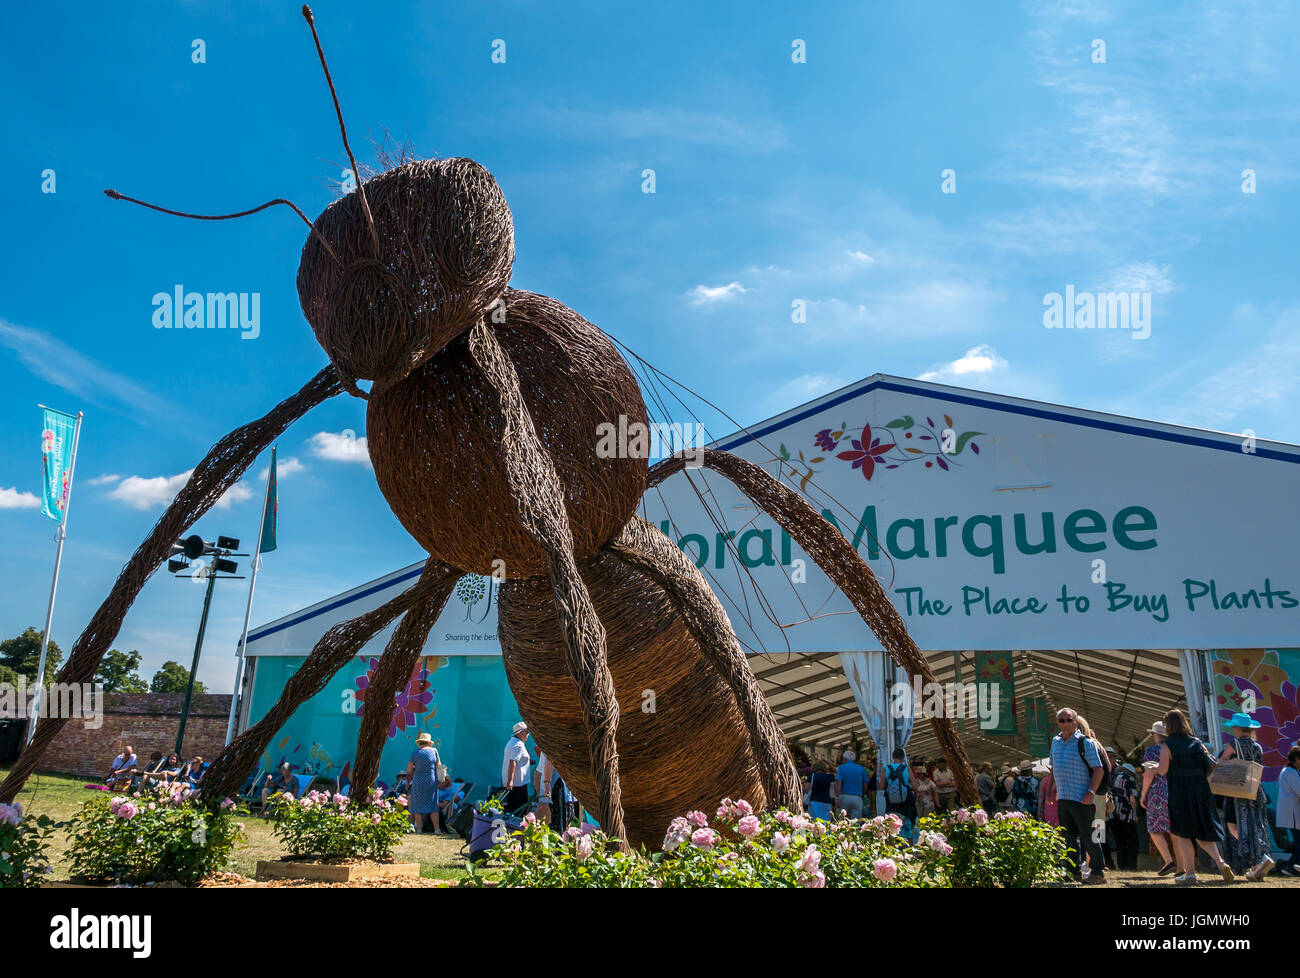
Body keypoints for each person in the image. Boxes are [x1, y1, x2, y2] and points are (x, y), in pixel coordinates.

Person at [1158, 708, 1233, 884]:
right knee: (1202, 832)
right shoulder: (1197, 742)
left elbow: (1162, 770)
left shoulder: (1168, 745)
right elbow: (1208, 765)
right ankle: (1221, 863)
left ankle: (1190, 874)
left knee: (1183, 834)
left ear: (1168, 726)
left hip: (1180, 793)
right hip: (1201, 792)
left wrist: (1153, 768)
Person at [1049, 708, 1107, 883]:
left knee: (1088, 836)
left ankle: (1098, 871)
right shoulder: (1055, 741)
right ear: (1057, 722)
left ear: (1076, 722)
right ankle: (1072, 871)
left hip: (1082, 797)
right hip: (1064, 797)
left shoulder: (1085, 742)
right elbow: (1053, 767)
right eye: (1061, 720)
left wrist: (1090, 792)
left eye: (1069, 720)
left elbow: (1099, 769)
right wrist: (1052, 789)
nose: (1065, 723)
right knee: (1068, 838)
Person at [1218, 712, 1274, 880]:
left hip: (1239, 790)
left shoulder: (1233, 744)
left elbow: (1221, 762)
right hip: (1256, 790)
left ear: (1237, 728)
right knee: (1256, 825)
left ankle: (1258, 859)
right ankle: (1258, 862)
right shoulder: (1257, 746)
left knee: (1235, 825)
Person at [1140, 721, 1176, 875]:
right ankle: (1183, 863)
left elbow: (1148, 774)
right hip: (1176, 791)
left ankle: (1169, 860)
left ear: (1156, 734)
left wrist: (1143, 794)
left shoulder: (1152, 751)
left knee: (1154, 829)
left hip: (1158, 793)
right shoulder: (1175, 749)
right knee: (1175, 830)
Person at [1106, 750, 1140, 871]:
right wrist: (1135, 814)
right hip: (1127, 814)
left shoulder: (1114, 778)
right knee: (1132, 841)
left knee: (1119, 842)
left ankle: (1122, 865)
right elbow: (1132, 798)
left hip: (1114, 814)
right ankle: (1131, 866)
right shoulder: (1129, 778)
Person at [406, 731, 442, 833]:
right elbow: (438, 766)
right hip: (431, 780)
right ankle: (437, 829)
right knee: (433, 805)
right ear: (429, 742)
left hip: (418, 780)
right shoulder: (434, 751)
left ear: (420, 742)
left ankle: (419, 829)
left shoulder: (415, 752)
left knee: (417, 804)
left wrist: (413, 771)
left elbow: (409, 770)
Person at [1277, 745, 1300, 877]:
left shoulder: (1291, 771)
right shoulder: (1290, 773)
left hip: (1293, 813)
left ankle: (1292, 867)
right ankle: (1290, 867)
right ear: (1296, 758)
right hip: (1293, 813)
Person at [501, 721, 532, 815]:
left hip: (515, 783)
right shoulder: (518, 745)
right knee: (518, 809)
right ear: (520, 733)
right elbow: (513, 762)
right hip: (517, 784)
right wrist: (510, 781)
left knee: (512, 808)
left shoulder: (512, 742)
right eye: (526, 732)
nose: (528, 735)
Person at [880, 748, 914, 832]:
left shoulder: (886, 768)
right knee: (906, 823)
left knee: (891, 822)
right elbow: (915, 785)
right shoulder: (907, 768)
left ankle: (892, 841)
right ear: (903, 757)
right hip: (905, 802)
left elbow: (881, 786)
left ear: (893, 757)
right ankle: (907, 842)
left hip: (890, 802)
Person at [835, 749, 868, 819]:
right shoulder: (861, 768)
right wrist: (863, 795)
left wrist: (837, 797)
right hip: (857, 797)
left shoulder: (841, 768)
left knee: (841, 819)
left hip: (844, 796)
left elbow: (838, 783)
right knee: (856, 821)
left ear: (845, 759)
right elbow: (865, 784)